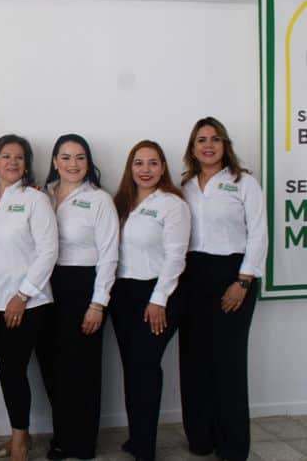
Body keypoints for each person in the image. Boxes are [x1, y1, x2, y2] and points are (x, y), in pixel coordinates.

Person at [178, 117, 266, 461]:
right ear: (193, 147)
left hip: (233, 275)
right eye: (201, 139)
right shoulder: (184, 186)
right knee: (195, 359)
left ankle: (232, 445)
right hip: (192, 277)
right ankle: (201, 437)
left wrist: (243, 281)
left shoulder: (244, 183)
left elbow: (258, 234)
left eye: (215, 139)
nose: (208, 145)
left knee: (228, 363)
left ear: (225, 145)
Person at [0, 134, 58, 461]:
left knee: (13, 369)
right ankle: (20, 433)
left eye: (19, 157)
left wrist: (22, 295)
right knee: (8, 369)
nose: (12, 162)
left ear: (26, 164)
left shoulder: (35, 199)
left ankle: (20, 440)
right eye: (6, 156)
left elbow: (48, 251)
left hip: (27, 299)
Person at [34, 134, 119, 460]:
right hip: (46, 285)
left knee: (82, 370)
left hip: (84, 288)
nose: (73, 164)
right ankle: (62, 436)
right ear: (55, 161)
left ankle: (82, 443)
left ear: (89, 162)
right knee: (51, 365)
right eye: (66, 157)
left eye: (80, 157)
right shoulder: (41, 195)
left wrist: (98, 304)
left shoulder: (99, 200)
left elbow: (109, 256)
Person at [110, 140, 191, 461]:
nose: (145, 170)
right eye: (139, 163)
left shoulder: (173, 204)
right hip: (123, 295)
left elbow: (176, 257)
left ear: (163, 168)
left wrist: (158, 300)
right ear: (130, 168)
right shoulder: (121, 203)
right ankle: (137, 436)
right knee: (132, 367)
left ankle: (145, 447)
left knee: (145, 367)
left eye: (153, 163)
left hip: (159, 294)